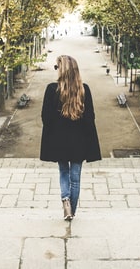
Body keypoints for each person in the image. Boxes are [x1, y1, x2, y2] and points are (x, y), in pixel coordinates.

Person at [40, 55, 102, 221]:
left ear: (62, 70)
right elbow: (90, 118)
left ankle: (65, 200)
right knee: (75, 177)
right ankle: (71, 211)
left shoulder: (51, 89)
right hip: (79, 141)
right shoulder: (84, 89)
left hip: (59, 141)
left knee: (63, 172)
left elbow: (45, 118)